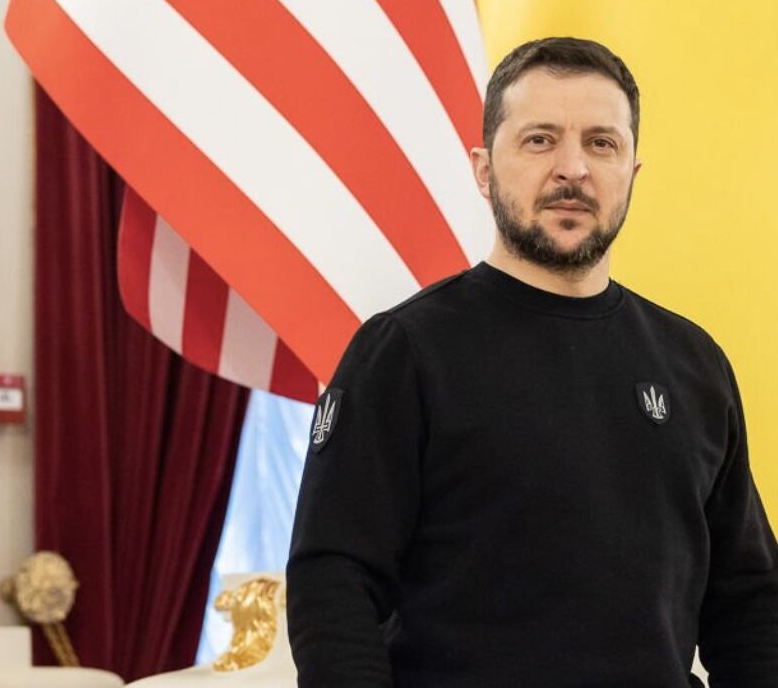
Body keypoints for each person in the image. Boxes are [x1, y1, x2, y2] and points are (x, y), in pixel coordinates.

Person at [287, 37, 778, 687]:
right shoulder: (404, 353)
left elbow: (750, 601)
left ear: (631, 172)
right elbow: (334, 585)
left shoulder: (692, 362)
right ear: (484, 170)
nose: (572, 167)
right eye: (540, 140)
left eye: (601, 143)